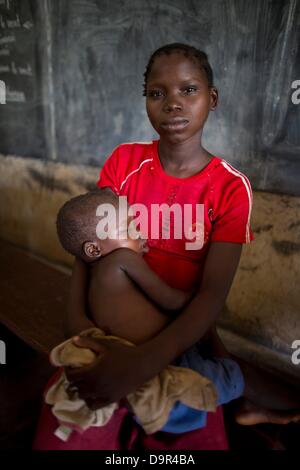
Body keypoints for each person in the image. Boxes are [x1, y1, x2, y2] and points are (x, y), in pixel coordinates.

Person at [33, 43, 300, 451]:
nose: (173, 104)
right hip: (114, 329)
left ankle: (248, 398)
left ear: (212, 99)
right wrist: (80, 333)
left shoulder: (229, 187)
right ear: (146, 101)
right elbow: (87, 254)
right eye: (157, 93)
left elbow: (210, 296)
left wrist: (144, 361)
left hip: (180, 333)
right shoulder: (124, 163)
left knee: (195, 417)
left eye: (188, 90)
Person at [45, 188, 223, 441]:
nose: (141, 233)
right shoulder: (125, 259)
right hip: (156, 357)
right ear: (94, 250)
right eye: (130, 229)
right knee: (229, 376)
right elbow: (172, 301)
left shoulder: (94, 269)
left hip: (121, 354)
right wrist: (200, 296)